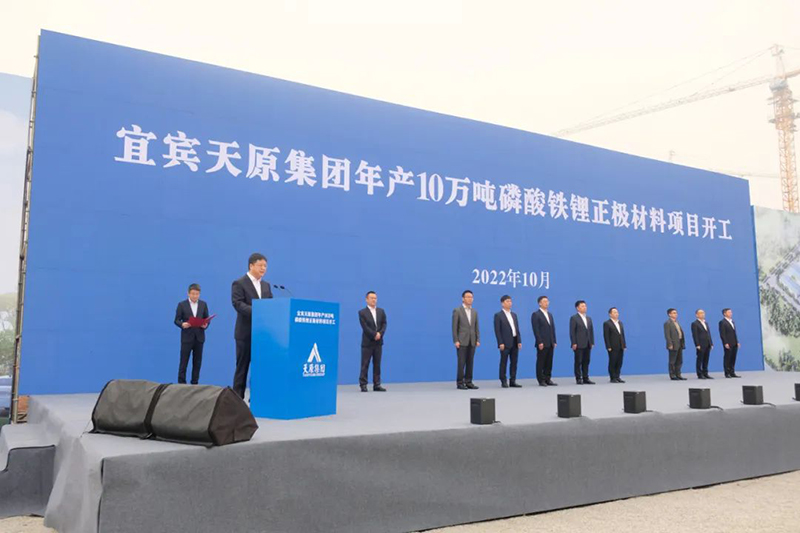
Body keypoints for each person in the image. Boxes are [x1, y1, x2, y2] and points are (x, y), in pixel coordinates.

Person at [231, 253, 273, 398]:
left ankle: (257, 397)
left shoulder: (266, 285)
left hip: (262, 334)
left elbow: (271, 305)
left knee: (260, 367)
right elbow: (238, 304)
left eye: (265, 266)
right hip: (245, 333)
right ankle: (237, 399)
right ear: (251, 266)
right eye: (260, 265)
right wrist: (258, 311)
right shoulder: (239, 283)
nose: (263, 268)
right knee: (242, 368)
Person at [173, 283, 209, 385]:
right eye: (193, 294)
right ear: (188, 293)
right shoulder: (182, 305)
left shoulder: (203, 304)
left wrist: (206, 325)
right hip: (187, 338)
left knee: (197, 363)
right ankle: (181, 384)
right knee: (184, 362)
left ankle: (195, 383)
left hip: (199, 338)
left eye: (197, 294)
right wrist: (182, 324)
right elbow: (176, 320)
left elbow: (206, 319)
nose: (195, 296)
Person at [358, 291, 387, 392]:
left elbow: (384, 324)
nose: (374, 300)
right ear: (366, 299)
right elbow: (365, 327)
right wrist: (374, 334)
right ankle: (363, 384)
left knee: (377, 364)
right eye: (371, 298)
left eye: (375, 298)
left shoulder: (381, 311)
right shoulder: (362, 312)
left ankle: (377, 384)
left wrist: (380, 334)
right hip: (367, 342)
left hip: (378, 342)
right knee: (365, 364)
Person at [452, 290, 480, 390]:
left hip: (472, 341)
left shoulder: (474, 312)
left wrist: (477, 339)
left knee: (470, 362)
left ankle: (468, 381)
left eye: (471, 297)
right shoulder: (457, 310)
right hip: (461, 341)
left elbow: (476, 327)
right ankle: (460, 382)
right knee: (461, 363)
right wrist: (456, 340)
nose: (470, 299)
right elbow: (454, 327)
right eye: (468, 297)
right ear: (463, 299)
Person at [494, 295, 522, 388]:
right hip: (505, 343)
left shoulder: (514, 315)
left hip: (514, 341)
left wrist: (519, 341)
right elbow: (497, 331)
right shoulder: (498, 315)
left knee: (514, 362)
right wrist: (500, 343)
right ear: (502, 303)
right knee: (504, 362)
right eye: (507, 301)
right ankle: (503, 380)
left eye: (510, 301)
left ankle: (512, 380)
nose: (510, 303)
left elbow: (517, 329)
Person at [531, 295, 557, 386]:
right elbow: (536, 330)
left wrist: (554, 341)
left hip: (550, 342)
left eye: (547, 301)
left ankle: (548, 378)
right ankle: (541, 380)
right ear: (539, 303)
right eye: (544, 301)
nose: (547, 303)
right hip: (542, 342)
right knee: (541, 361)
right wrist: (539, 341)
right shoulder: (536, 314)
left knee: (549, 361)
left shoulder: (550, 314)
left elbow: (552, 329)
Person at [569, 300, 595, 385]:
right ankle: (578, 378)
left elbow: (591, 331)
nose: (585, 307)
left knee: (586, 361)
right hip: (578, 343)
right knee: (578, 362)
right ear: (577, 308)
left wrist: (592, 342)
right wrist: (573, 343)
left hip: (588, 343)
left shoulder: (588, 318)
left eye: (585, 306)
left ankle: (585, 378)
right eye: (582, 306)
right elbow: (572, 332)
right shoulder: (574, 318)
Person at [603, 307, 626, 383]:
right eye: (614, 312)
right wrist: (608, 346)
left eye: (617, 312)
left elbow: (622, 335)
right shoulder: (607, 323)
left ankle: (617, 376)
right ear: (610, 314)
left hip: (620, 346)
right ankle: (612, 377)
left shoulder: (620, 323)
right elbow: (606, 336)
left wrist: (624, 345)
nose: (617, 314)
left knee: (619, 362)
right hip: (612, 346)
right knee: (613, 362)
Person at [691, 309, 714, 379]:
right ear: (696, 315)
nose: (702, 314)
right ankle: (699, 374)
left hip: (707, 344)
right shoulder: (695, 323)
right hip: (701, 344)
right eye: (700, 313)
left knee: (706, 359)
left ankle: (705, 373)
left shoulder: (705, 323)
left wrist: (711, 343)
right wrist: (697, 344)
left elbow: (708, 334)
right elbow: (695, 335)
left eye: (703, 313)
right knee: (700, 359)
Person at [664, 308, 686, 380]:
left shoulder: (677, 322)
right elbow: (667, 335)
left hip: (679, 343)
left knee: (679, 360)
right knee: (672, 361)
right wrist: (670, 344)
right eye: (673, 313)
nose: (675, 314)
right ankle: (672, 375)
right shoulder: (667, 323)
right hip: (673, 344)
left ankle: (678, 374)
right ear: (669, 314)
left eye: (676, 313)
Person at [719, 308, 741, 378]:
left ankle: (732, 372)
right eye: (729, 312)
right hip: (728, 343)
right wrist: (725, 343)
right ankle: (727, 372)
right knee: (727, 358)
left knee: (733, 358)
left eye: (731, 312)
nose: (730, 313)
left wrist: (737, 341)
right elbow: (722, 334)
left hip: (734, 342)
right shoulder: (722, 322)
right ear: (724, 313)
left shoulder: (732, 321)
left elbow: (734, 333)